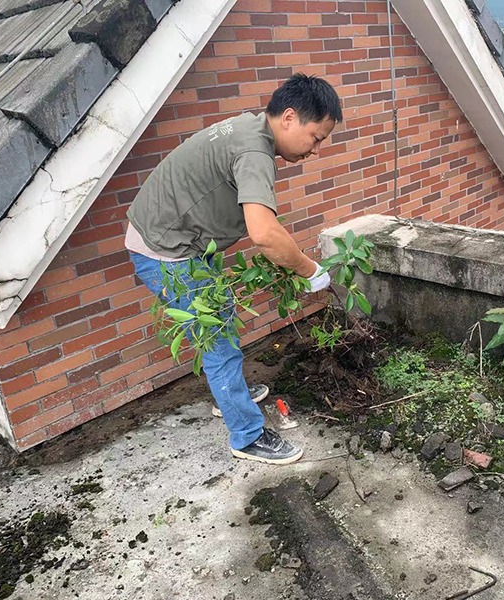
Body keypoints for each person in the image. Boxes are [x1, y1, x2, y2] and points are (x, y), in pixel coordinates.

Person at [124, 74, 342, 465]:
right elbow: (265, 234)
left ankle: (230, 396)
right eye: (315, 137)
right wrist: (310, 269)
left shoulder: (250, 128)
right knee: (218, 339)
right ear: (288, 118)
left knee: (220, 323)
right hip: (166, 251)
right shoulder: (254, 149)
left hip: (182, 240)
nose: (316, 150)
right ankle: (247, 436)